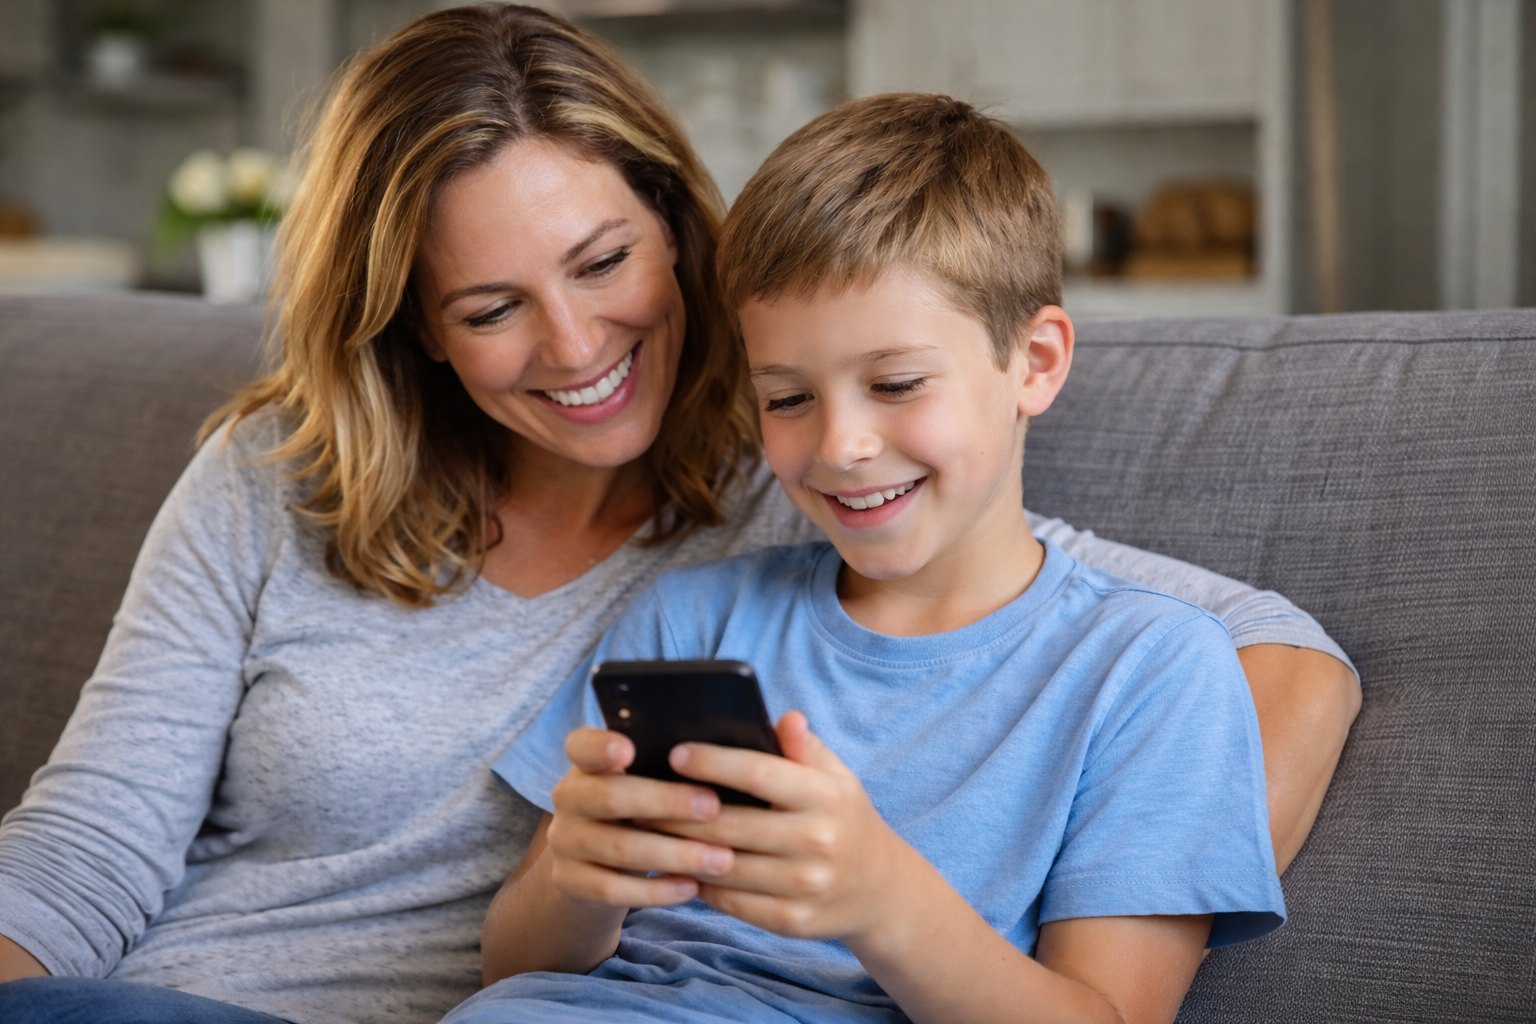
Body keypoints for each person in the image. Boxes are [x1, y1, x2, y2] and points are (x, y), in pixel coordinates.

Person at [0, 7, 1356, 1024]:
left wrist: (1048, 885)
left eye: (602, 263)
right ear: (413, 332)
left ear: (676, 229)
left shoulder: (813, 494)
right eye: (490, 309)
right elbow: (88, 847)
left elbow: (1247, 655)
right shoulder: (286, 479)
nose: (576, 342)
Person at [446, 93, 1290, 1024]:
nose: (841, 443)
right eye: (788, 398)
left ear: (1037, 362)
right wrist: (580, 879)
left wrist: (882, 897)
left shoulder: (1154, 670)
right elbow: (513, 970)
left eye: (895, 384)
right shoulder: (689, 621)